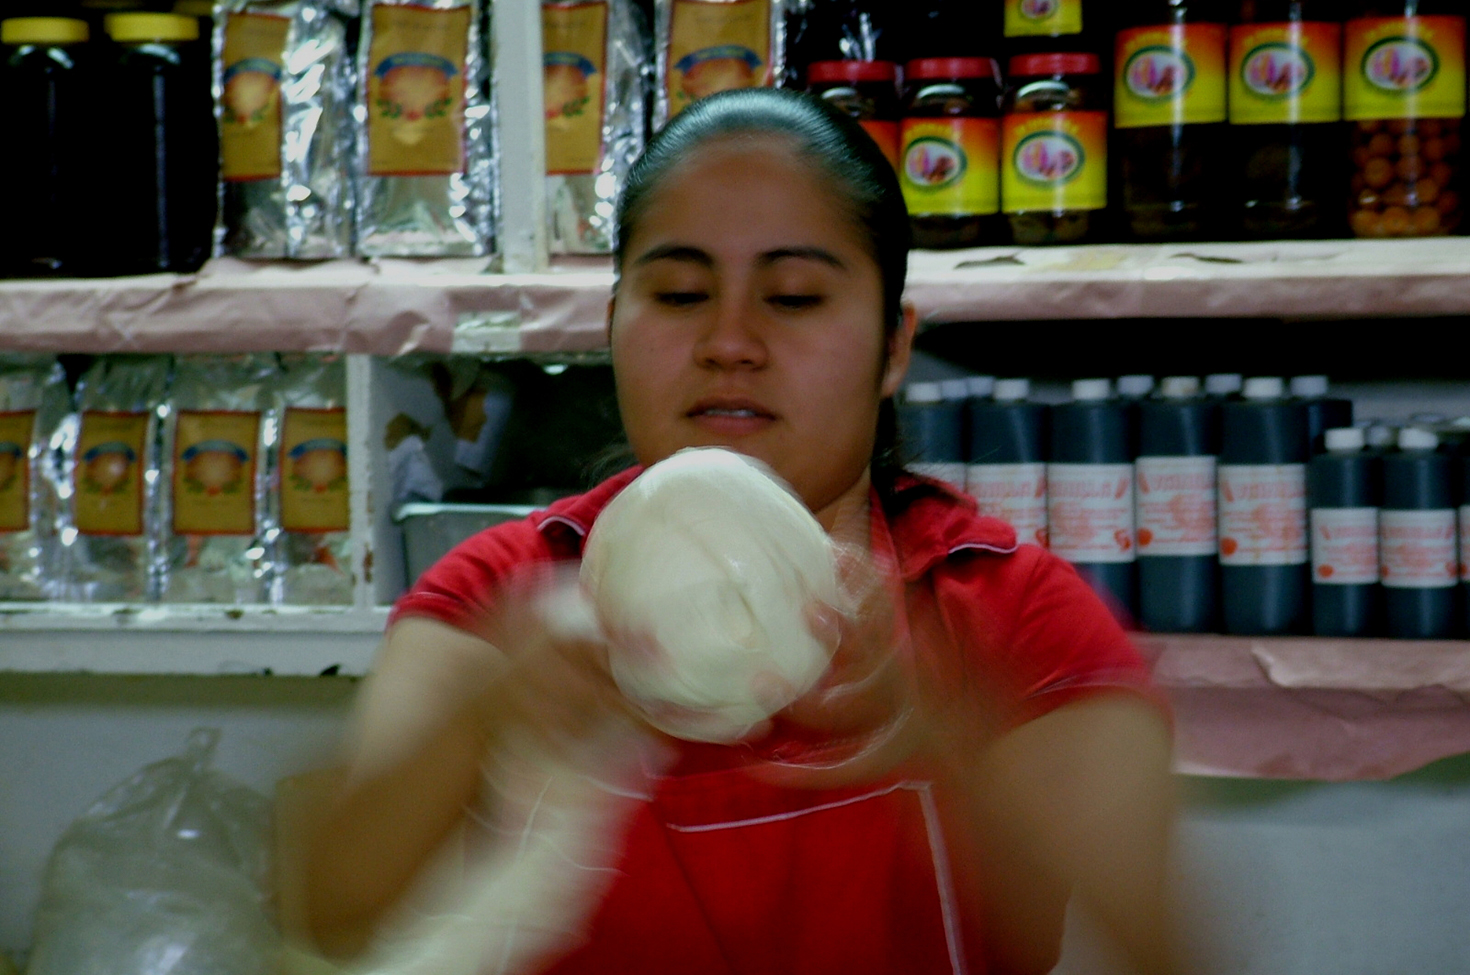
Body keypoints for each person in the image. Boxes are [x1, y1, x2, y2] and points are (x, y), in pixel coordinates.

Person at [300, 87, 1182, 975]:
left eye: (794, 297)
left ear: (893, 345)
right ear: (613, 323)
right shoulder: (507, 591)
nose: (730, 341)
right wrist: (486, 720)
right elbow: (327, 912)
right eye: (680, 293)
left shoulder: (1002, 606)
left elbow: (1160, 946)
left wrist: (943, 738)